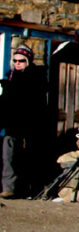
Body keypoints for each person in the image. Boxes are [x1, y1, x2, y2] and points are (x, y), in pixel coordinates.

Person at [0, 44, 48, 198]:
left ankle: (29, 189)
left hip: (29, 126)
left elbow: (37, 105)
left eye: (21, 60)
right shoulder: (10, 79)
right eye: (15, 60)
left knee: (27, 158)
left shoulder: (35, 79)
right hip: (11, 125)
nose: (17, 63)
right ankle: (9, 188)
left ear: (28, 61)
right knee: (8, 158)